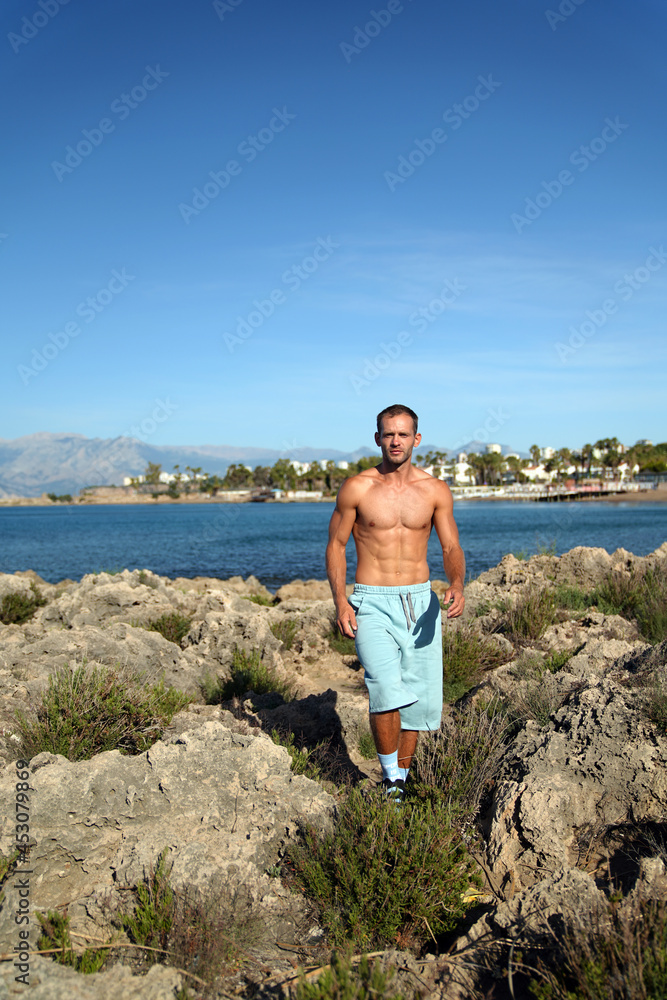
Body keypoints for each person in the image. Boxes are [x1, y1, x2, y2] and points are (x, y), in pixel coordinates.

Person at [325, 404, 465, 800]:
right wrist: (341, 600)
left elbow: (451, 544)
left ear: (416, 439)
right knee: (385, 688)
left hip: (421, 601)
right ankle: (390, 780)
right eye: (388, 434)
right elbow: (336, 546)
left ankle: (399, 784)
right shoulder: (357, 488)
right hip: (371, 600)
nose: (396, 441)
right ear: (377, 438)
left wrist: (456, 581)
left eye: (403, 434)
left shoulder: (435, 490)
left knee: (417, 699)